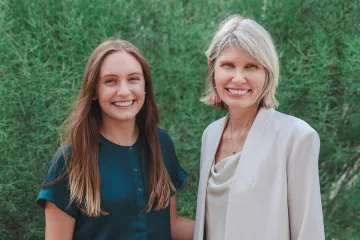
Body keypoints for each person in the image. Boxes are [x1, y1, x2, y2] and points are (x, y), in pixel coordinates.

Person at [37, 39, 194, 240]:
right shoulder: (70, 159)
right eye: (111, 81)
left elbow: (172, 226)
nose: (124, 91)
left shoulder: (161, 145)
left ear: (145, 86)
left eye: (133, 79)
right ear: (94, 90)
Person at [193, 15, 325, 240]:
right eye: (228, 65)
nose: (238, 78)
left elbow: (308, 232)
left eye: (251, 67)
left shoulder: (297, 137)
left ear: (268, 73)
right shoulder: (210, 135)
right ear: (212, 68)